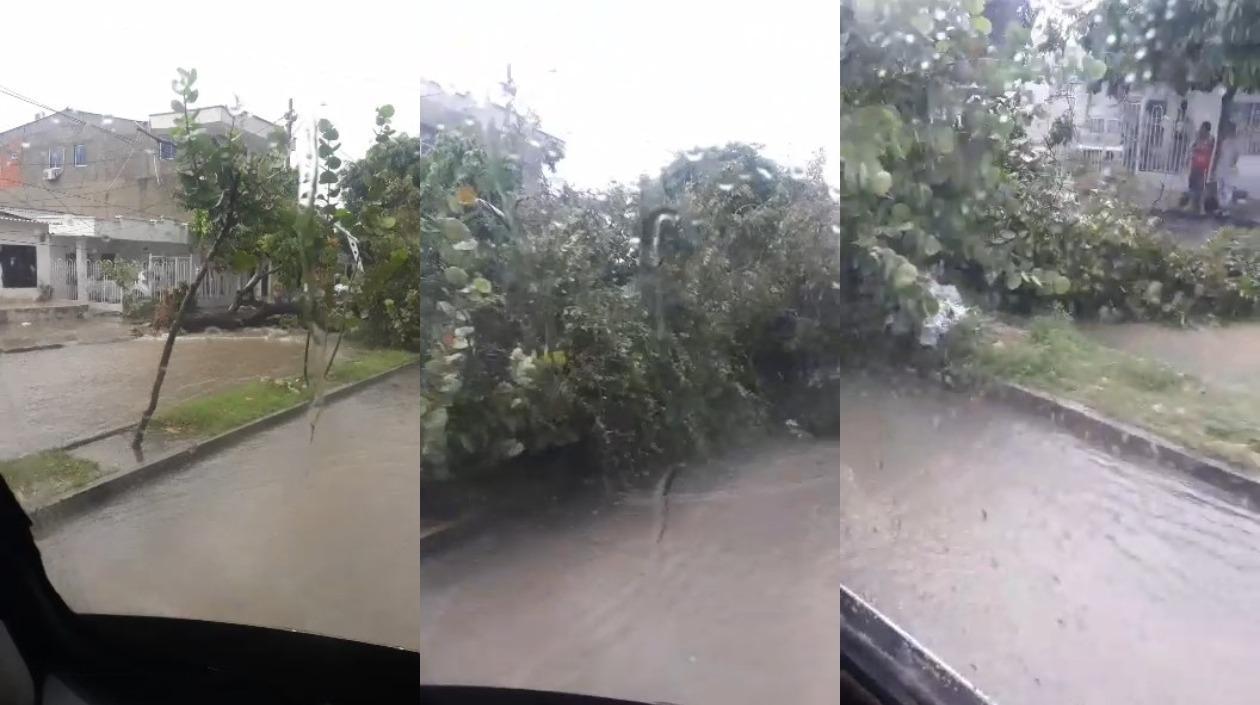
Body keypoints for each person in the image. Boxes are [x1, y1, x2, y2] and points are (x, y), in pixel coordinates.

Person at [1186, 121, 1215, 214]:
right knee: (1192, 185)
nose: (1201, 130)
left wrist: (1198, 147)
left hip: (1204, 168)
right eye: (1201, 128)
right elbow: (1192, 148)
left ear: (1207, 130)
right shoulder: (1197, 137)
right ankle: (1191, 204)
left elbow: (1207, 149)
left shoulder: (1210, 139)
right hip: (1195, 165)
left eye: (1203, 128)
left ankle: (1201, 207)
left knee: (1201, 187)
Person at [1217, 120, 1242, 216]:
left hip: (1229, 169)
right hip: (1222, 167)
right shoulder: (1225, 141)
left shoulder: (1235, 143)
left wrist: (1232, 164)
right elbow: (1220, 154)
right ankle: (1221, 207)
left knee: (1227, 188)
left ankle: (1226, 209)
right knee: (1220, 187)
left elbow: (1236, 156)